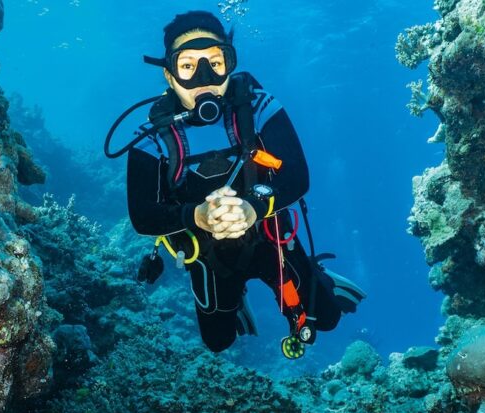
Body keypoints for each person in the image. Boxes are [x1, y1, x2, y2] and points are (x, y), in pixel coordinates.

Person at [118, 11, 365, 355]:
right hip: (206, 253)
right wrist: (198, 217)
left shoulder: (259, 106)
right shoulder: (151, 136)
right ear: (169, 75)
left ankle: (319, 277)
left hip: (270, 239)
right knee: (218, 342)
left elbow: (298, 176)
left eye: (215, 63)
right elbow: (142, 215)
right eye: (188, 66)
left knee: (326, 319)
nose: (203, 79)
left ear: (230, 63)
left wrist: (253, 208)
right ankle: (237, 302)